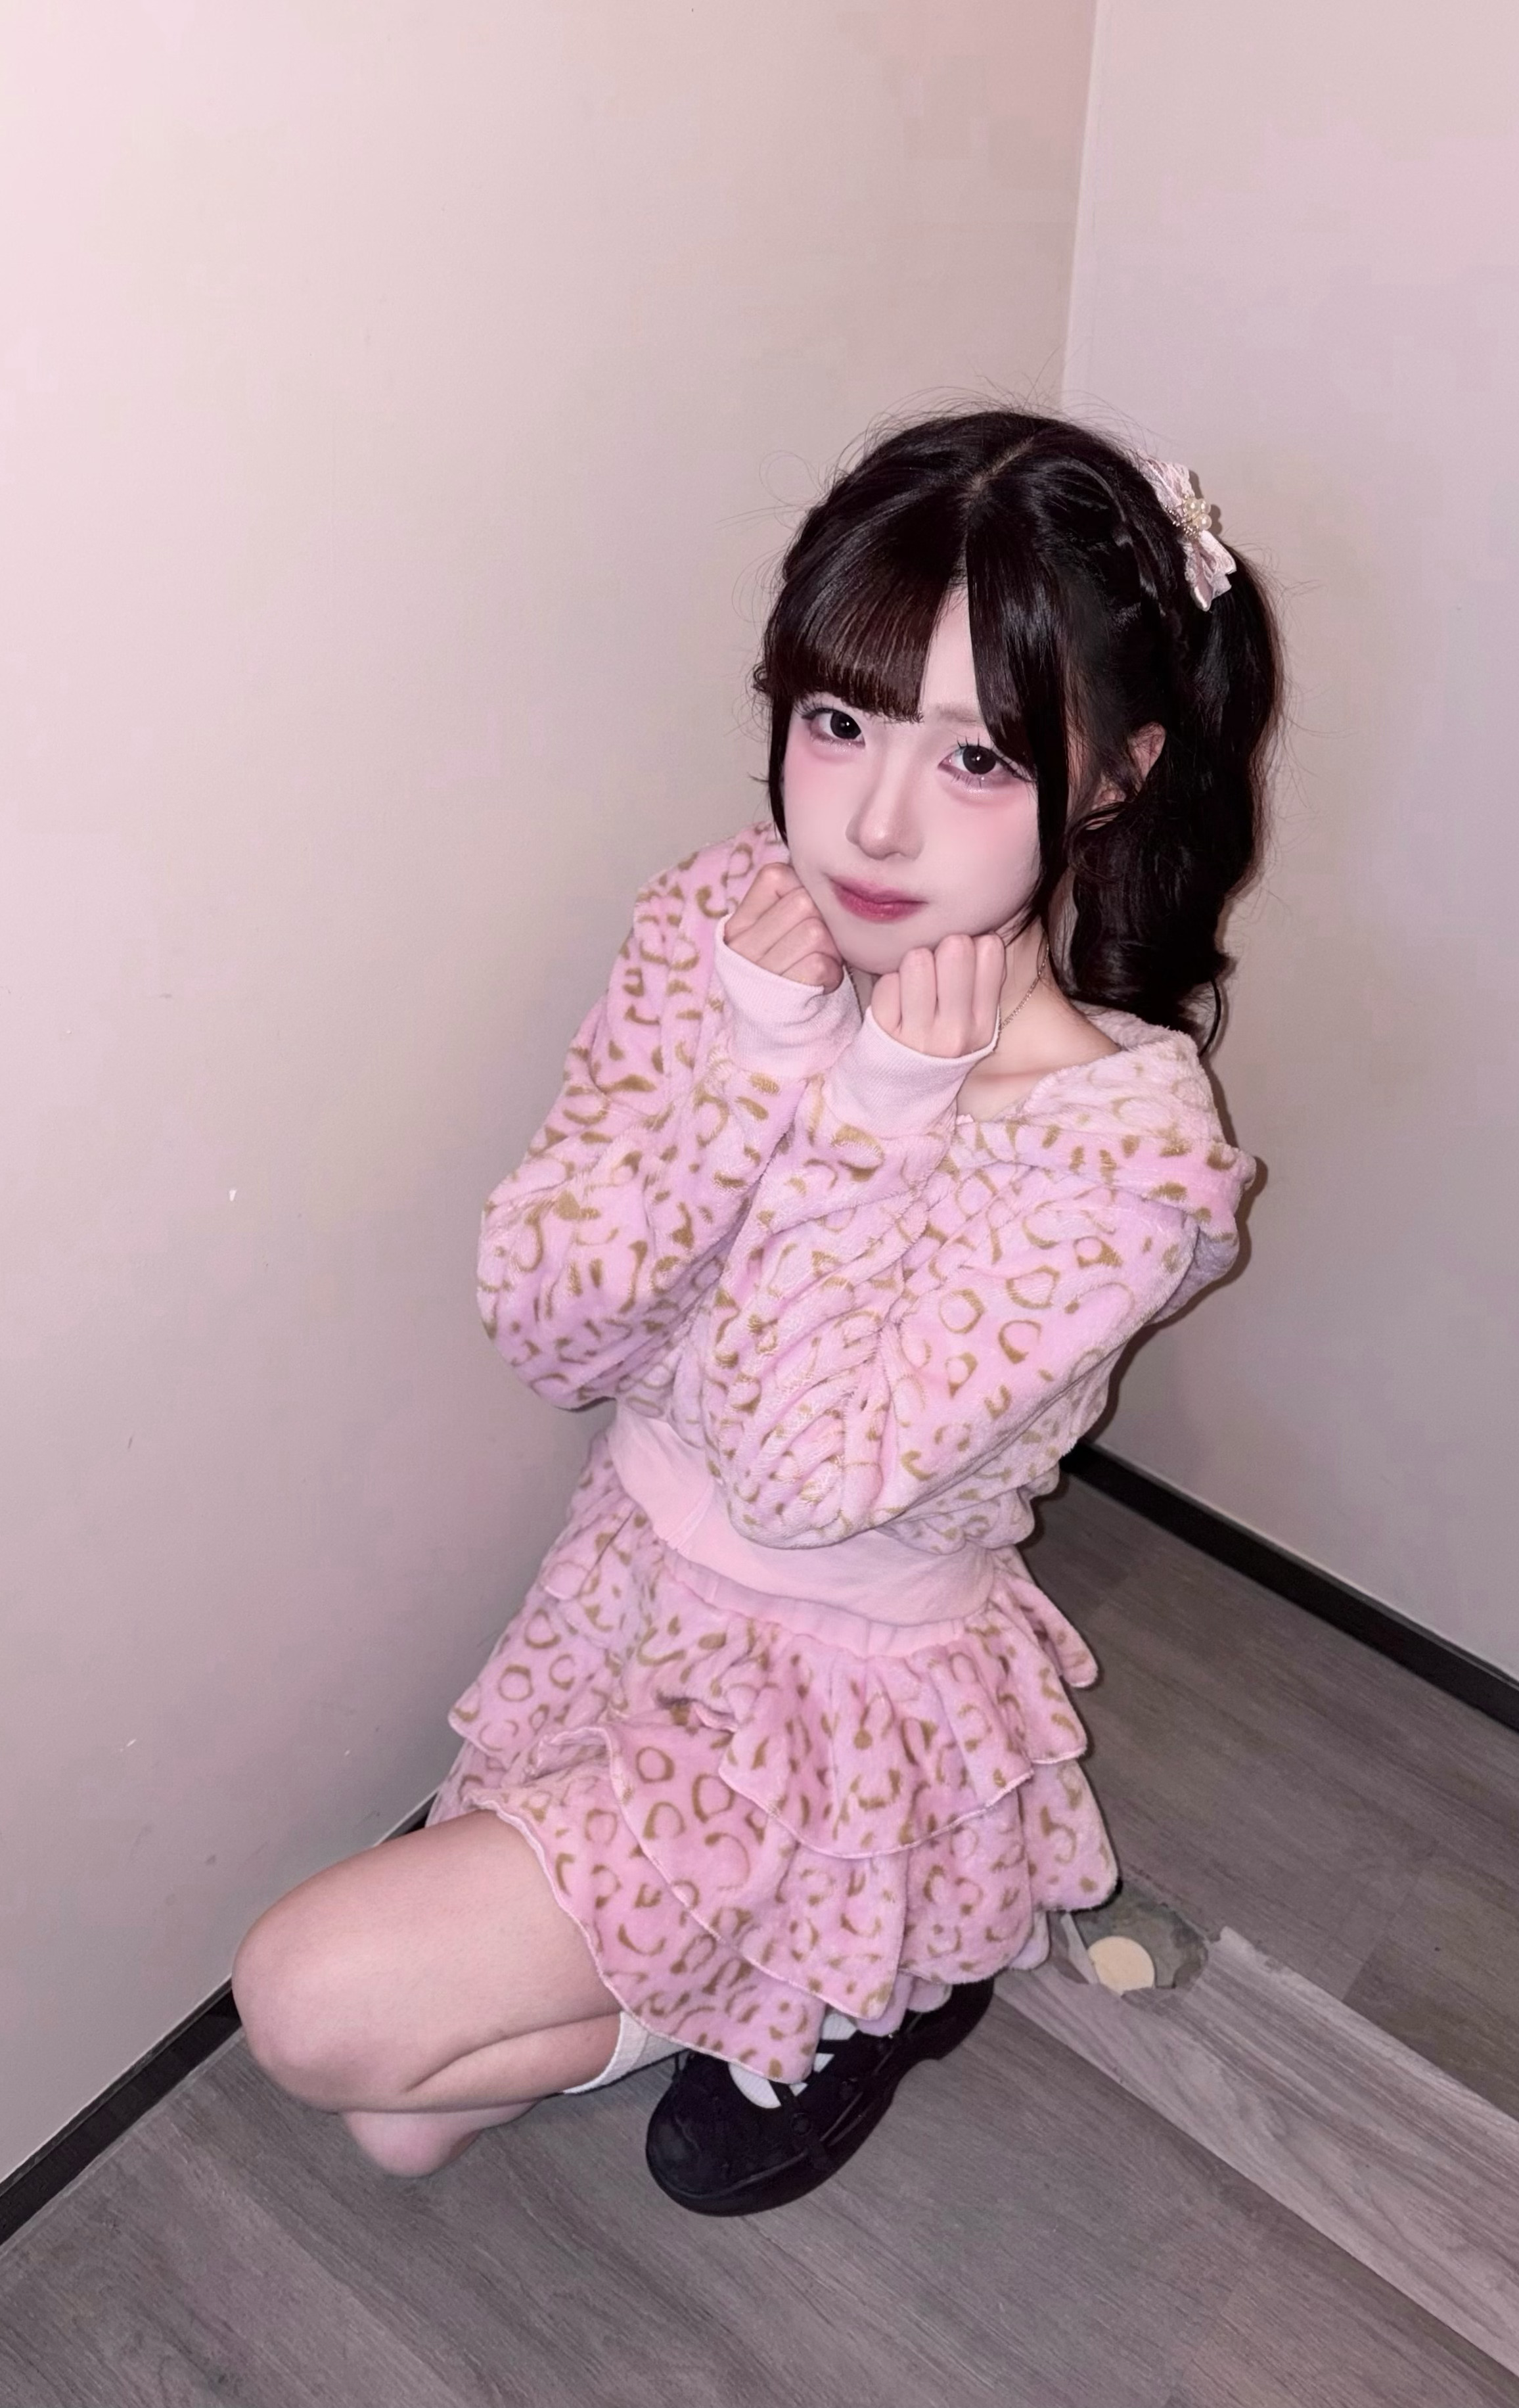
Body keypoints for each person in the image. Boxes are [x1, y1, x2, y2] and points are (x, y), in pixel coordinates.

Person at [231, 407, 1280, 2213]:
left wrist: (867, 1112)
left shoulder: (1123, 1150)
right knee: (401, 2117)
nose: (870, 820)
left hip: (835, 1692)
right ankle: (813, 1958)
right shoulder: (730, 922)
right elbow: (553, 1330)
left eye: (977, 757)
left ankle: (875, 1955)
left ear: (1113, 777)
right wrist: (750, 1059)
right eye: (838, 720)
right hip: (626, 1585)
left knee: (317, 2014)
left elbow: (804, 1481)